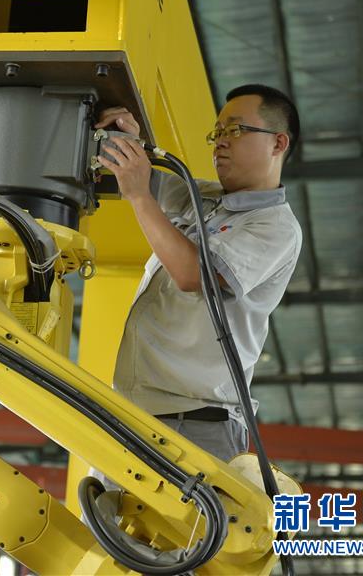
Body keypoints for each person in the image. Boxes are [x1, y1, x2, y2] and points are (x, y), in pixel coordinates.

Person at [93, 84, 302, 462]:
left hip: (196, 423)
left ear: (278, 142)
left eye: (235, 130)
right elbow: (141, 178)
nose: (220, 142)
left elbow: (194, 274)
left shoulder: (274, 227)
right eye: (217, 132)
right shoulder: (206, 200)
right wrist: (127, 141)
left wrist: (139, 195)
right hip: (138, 412)